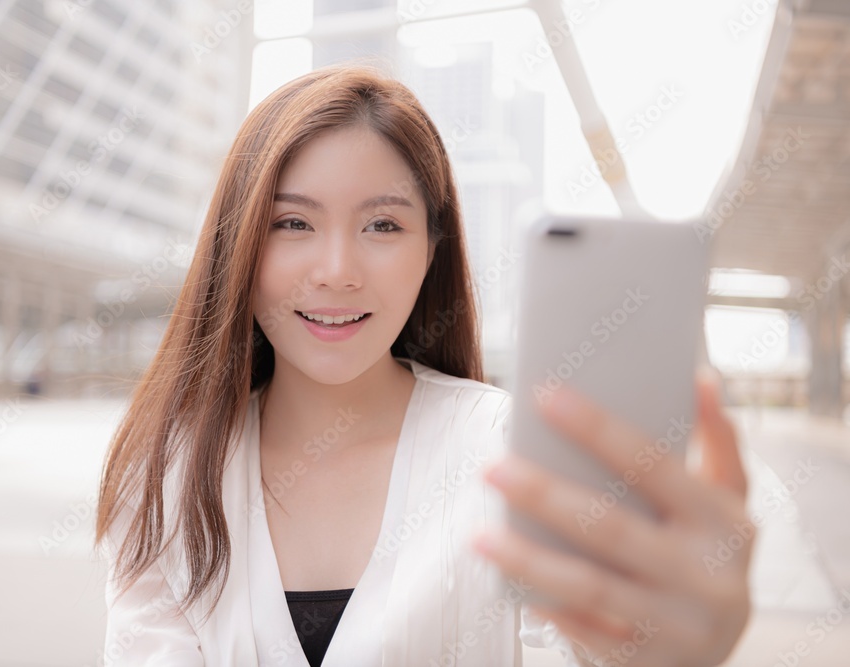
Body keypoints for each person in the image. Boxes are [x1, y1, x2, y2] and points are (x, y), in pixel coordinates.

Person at [93, 63, 754, 666]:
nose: (337, 272)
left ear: (433, 248)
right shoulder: (172, 470)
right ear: (239, 242)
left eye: (382, 226)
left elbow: (579, 643)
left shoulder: (511, 455)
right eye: (293, 223)